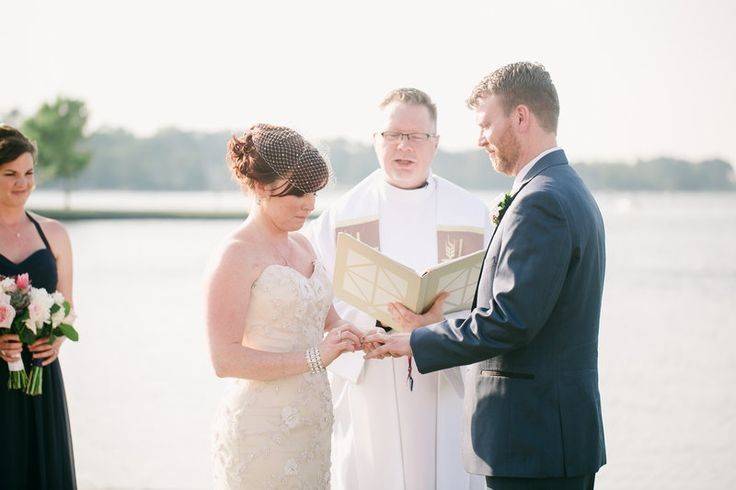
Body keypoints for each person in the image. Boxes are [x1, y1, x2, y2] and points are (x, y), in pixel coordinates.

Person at [365, 63, 607, 490]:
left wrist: (416, 341)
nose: (479, 139)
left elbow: (510, 320)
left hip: (533, 443)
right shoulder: (566, 188)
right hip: (552, 438)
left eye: (485, 124)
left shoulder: (541, 202)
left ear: (520, 117)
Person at [304, 88, 488, 490]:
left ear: (435, 144)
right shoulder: (341, 217)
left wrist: (438, 323)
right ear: (375, 140)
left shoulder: (471, 214)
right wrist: (378, 325)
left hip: (443, 377)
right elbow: (316, 299)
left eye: (416, 136)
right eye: (392, 135)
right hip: (373, 378)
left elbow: (491, 301)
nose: (403, 146)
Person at [206, 124, 365, 489]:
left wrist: (357, 334)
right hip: (261, 429)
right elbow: (224, 360)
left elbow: (329, 322)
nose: (309, 204)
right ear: (261, 187)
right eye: (297, 192)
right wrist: (315, 358)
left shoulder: (305, 246)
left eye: (313, 192)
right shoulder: (236, 254)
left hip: (313, 422)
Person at [0, 124, 77, 489]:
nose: (22, 183)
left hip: (40, 375)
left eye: (28, 172)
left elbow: (68, 306)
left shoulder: (54, 233)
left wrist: (57, 340)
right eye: (10, 174)